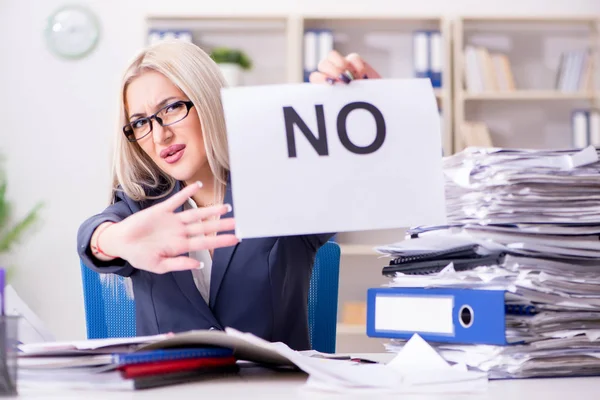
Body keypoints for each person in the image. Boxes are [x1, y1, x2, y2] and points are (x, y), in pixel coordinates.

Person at [77, 40, 381, 351]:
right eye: (140, 122)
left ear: (208, 100)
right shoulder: (142, 204)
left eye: (170, 108)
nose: (159, 135)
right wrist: (115, 240)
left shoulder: (281, 188)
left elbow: (369, 178)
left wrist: (365, 98)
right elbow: (91, 235)